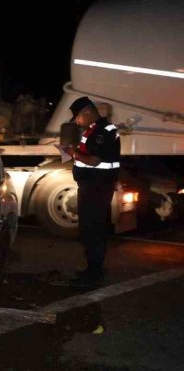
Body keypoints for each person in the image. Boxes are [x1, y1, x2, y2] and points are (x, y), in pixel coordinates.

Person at [63, 96, 121, 288]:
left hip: (97, 187)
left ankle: (94, 273)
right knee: (89, 228)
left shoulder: (103, 131)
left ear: (87, 112)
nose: (77, 122)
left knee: (94, 228)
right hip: (91, 186)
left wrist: (72, 152)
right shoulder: (94, 130)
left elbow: (94, 160)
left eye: (78, 118)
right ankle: (91, 269)